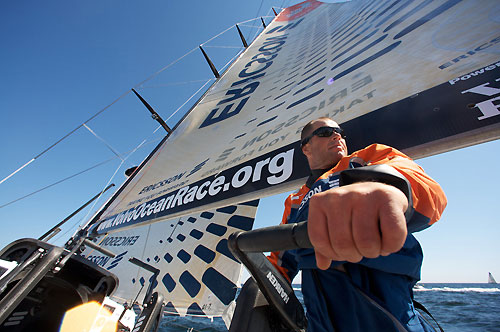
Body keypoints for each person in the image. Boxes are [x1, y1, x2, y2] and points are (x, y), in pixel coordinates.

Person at [268, 117, 447, 331]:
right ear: (306, 147)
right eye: (325, 132)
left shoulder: (368, 157)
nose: (337, 136)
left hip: (388, 307)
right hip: (321, 318)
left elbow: (426, 188)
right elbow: (280, 263)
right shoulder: (295, 201)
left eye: (339, 132)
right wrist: (259, 292)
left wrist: (390, 188)